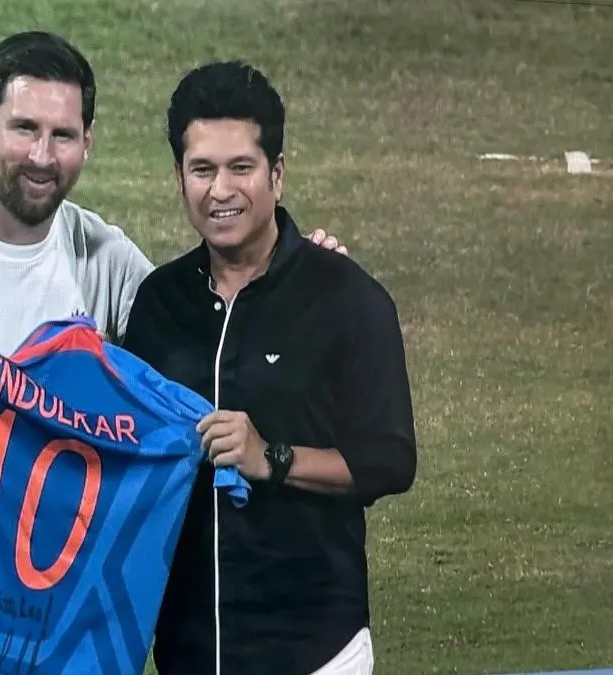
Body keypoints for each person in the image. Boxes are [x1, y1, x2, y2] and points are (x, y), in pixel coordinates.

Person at [0, 32, 349, 671]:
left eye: (63, 135)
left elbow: (213, 337)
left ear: (88, 142)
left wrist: (300, 275)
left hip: (45, 637)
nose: (42, 156)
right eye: (24, 128)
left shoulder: (99, 256)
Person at [120, 60, 418, 675]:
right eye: (201, 169)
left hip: (314, 649)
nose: (220, 190)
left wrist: (270, 458)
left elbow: (388, 461)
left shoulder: (346, 299)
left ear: (276, 174)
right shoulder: (158, 303)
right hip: (185, 650)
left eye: (241, 168)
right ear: (179, 177)